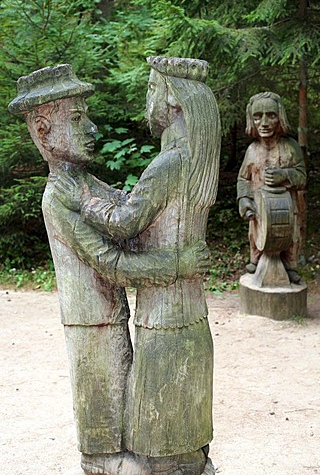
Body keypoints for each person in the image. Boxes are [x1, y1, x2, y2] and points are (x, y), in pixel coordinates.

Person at [8, 64, 212, 475]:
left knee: (128, 411)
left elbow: (125, 212)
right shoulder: (59, 196)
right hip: (92, 325)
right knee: (103, 422)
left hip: (112, 317)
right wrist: (178, 263)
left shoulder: (82, 184)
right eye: (79, 118)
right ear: (44, 129)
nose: (94, 129)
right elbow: (112, 264)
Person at [237, 92, 307, 283]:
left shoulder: (290, 147)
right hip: (259, 209)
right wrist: (244, 200)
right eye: (258, 116)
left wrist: (284, 175)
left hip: (288, 207)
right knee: (256, 233)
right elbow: (243, 179)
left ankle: (289, 265)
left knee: (291, 235)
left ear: (280, 117)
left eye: (271, 115)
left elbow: (302, 177)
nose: (264, 122)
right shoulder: (252, 150)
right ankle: (256, 259)